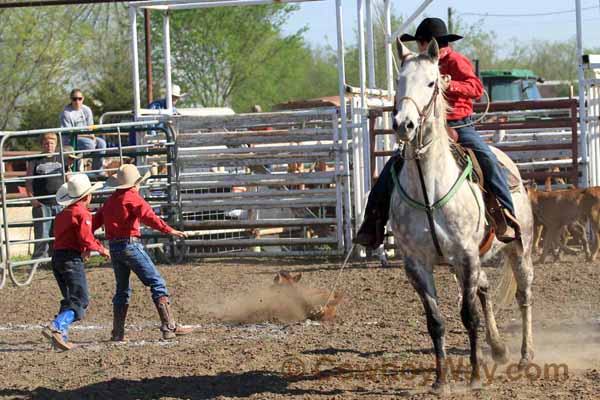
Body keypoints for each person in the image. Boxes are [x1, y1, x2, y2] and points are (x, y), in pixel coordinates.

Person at [355, 17, 519, 249]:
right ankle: (373, 223)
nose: (421, 47)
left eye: (422, 42)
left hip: (459, 125)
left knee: (487, 159)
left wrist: (450, 84)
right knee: (393, 168)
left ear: (432, 43)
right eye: (421, 43)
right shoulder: (417, 65)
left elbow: (476, 89)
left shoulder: (456, 61)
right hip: (427, 128)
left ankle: (506, 214)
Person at [92, 164, 192, 341]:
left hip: (115, 248)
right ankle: (169, 326)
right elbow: (149, 217)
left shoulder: (110, 201)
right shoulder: (133, 198)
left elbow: (95, 222)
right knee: (156, 282)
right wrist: (169, 230)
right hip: (131, 246)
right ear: (135, 183)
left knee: (122, 289)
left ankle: (118, 333)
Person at [41, 174, 110, 351]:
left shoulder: (63, 214)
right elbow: (86, 238)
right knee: (80, 298)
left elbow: (70, 237)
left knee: (70, 297)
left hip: (57, 258)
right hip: (71, 260)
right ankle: (57, 326)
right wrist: (102, 250)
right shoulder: (83, 213)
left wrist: (83, 248)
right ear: (87, 196)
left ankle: (60, 335)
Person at [26, 133, 66, 259]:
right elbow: (28, 181)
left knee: (59, 232)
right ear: (42, 145)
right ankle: (39, 259)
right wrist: (32, 198)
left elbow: (68, 176)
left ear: (56, 145)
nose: (49, 146)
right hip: (42, 203)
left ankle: (56, 258)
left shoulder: (61, 158)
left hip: (60, 202)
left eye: (52, 143)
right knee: (42, 234)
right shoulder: (35, 160)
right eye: (46, 143)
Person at [60, 88, 106, 173]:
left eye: (79, 99)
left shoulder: (86, 110)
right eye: (74, 99)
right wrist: (89, 136)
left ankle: (98, 172)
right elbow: (70, 133)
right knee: (89, 145)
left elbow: (90, 126)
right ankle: (76, 167)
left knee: (102, 143)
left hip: (87, 137)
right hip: (71, 140)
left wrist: (92, 136)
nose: (77, 101)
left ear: (83, 99)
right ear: (71, 100)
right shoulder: (66, 113)